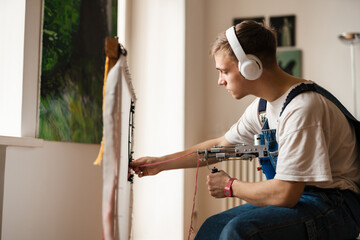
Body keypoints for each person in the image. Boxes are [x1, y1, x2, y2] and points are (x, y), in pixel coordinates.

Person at [130, 20, 360, 239]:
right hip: (304, 198)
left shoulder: (302, 108)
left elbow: (285, 194)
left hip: (336, 206)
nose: (220, 80)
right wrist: (159, 164)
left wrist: (231, 186)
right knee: (213, 227)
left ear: (250, 67)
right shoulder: (262, 108)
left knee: (242, 231)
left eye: (224, 71)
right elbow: (219, 146)